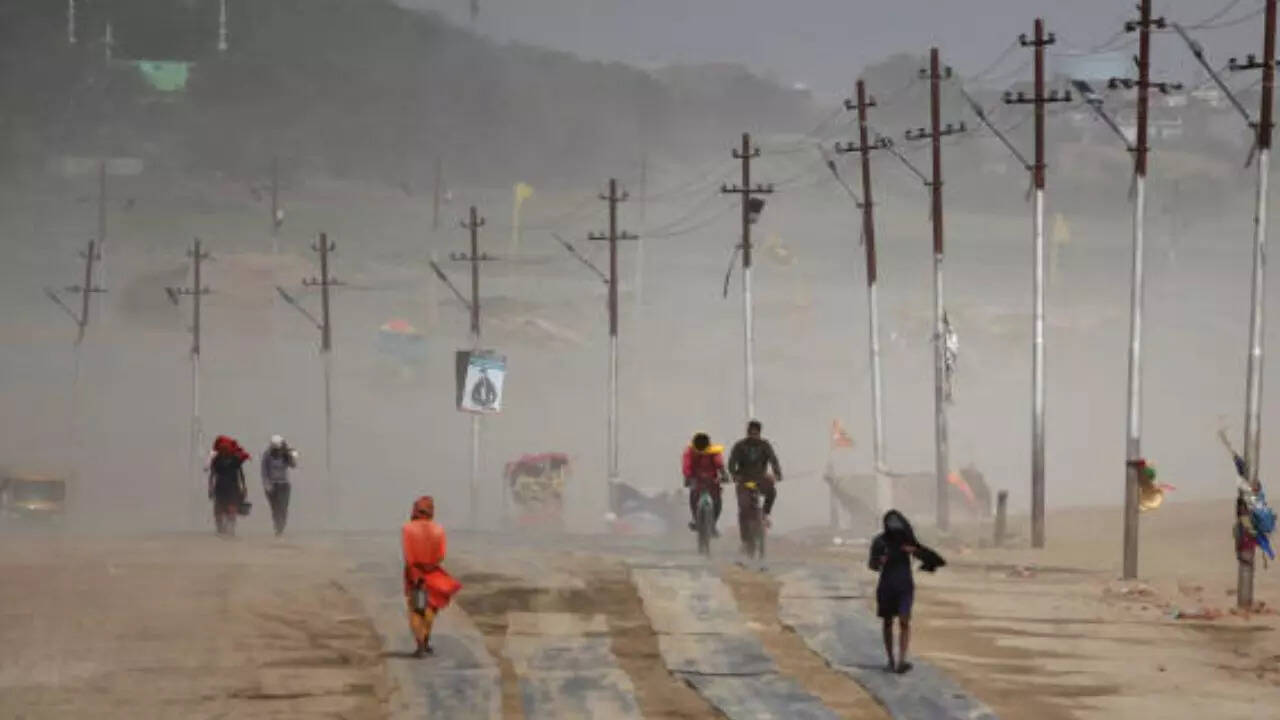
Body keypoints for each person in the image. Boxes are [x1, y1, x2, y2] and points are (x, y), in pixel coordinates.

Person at [868, 510, 945, 674]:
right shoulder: (880, 542)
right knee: (888, 622)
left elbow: (930, 556)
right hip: (886, 586)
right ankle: (891, 660)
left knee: (904, 621)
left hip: (905, 586)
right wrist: (880, 561)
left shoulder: (907, 540)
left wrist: (914, 552)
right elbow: (872, 565)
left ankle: (902, 660)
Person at [401, 496, 462, 657]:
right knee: (430, 609)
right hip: (434, 574)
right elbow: (441, 555)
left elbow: (408, 556)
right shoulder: (438, 530)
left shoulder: (407, 529)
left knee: (417, 610)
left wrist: (415, 573)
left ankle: (420, 644)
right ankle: (426, 640)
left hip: (416, 575)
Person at [728, 420, 782, 532]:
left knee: (772, 492)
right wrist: (734, 474)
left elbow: (773, 460)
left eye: (756, 433)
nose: (753, 436)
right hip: (744, 480)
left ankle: (765, 514)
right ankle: (745, 534)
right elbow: (731, 463)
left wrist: (777, 474)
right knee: (743, 506)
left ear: (759, 433)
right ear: (747, 433)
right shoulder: (739, 446)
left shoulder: (765, 445)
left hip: (760, 480)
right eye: (751, 433)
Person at [682, 432, 728, 535]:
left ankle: (713, 524)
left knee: (717, 501)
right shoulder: (689, 451)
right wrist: (688, 477)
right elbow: (687, 465)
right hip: (696, 479)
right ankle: (695, 519)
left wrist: (724, 474)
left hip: (711, 480)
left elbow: (719, 463)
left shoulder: (714, 451)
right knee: (694, 496)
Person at [208, 436, 249, 536]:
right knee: (218, 510)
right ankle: (220, 528)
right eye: (222, 449)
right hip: (220, 487)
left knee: (232, 508)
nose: (224, 451)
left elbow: (241, 474)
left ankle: (231, 528)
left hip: (233, 488)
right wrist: (210, 488)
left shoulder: (235, 460)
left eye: (226, 449)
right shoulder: (216, 460)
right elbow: (212, 474)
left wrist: (244, 487)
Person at [261, 435, 298, 536]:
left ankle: (281, 526)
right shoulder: (267, 455)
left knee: (283, 507)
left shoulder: (285, 454)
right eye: (275, 449)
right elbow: (264, 471)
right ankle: (277, 527)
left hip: (284, 484)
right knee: (275, 508)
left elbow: (293, 465)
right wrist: (266, 484)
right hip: (272, 485)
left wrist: (291, 456)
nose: (276, 452)